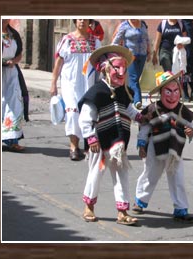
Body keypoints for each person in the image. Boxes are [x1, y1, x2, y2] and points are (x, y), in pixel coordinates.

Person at [78, 45, 150, 225]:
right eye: (116, 68)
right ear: (105, 70)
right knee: (96, 172)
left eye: (123, 69)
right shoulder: (97, 92)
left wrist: (142, 117)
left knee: (121, 174)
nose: (121, 72)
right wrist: (91, 137)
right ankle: (89, 206)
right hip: (99, 142)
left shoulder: (123, 92)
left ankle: (122, 211)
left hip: (118, 143)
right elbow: (85, 118)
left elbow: (129, 110)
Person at [132, 71, 193, 223]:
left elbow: (190, 127)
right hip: (155, 148)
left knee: (177, 178)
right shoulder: (153, 109)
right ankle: (140, 200)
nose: (172, 95)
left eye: (176, 91)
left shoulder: (182, 110)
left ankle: (181, 208)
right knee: (150, 174)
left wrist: (190, 131)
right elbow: (145, 128)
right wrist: (141, 144)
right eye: (168, 91)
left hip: (175, 150)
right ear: (161, 93)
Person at [50, 19, 101, 161]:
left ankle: (88, 145)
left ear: (89, 22)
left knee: (88, 114)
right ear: (75, 21)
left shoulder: (95, 42)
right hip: (70, 84)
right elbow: (58, 63)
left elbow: (101, 63)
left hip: (88, 84)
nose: (82, 21)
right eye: (79, 19)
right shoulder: (67, 40)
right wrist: (53, 83)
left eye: (85, 19)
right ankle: (73, 146)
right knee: (72, 113)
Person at [112, 19, 151, 110]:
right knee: (133, 78)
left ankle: (129, 98)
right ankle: (138, 101)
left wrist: (149, 52)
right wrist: (112, 51)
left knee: (135, 78)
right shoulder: (124, 25)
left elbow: (147, 39)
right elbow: (116, 39)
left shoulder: (143, 24)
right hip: (130, 56)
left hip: (142, 55)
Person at [2, 19, 26, 152]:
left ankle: (12, 140)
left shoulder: (14, 34)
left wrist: (13, 61)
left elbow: (19, 54)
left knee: (14, 104)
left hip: (11, 73)